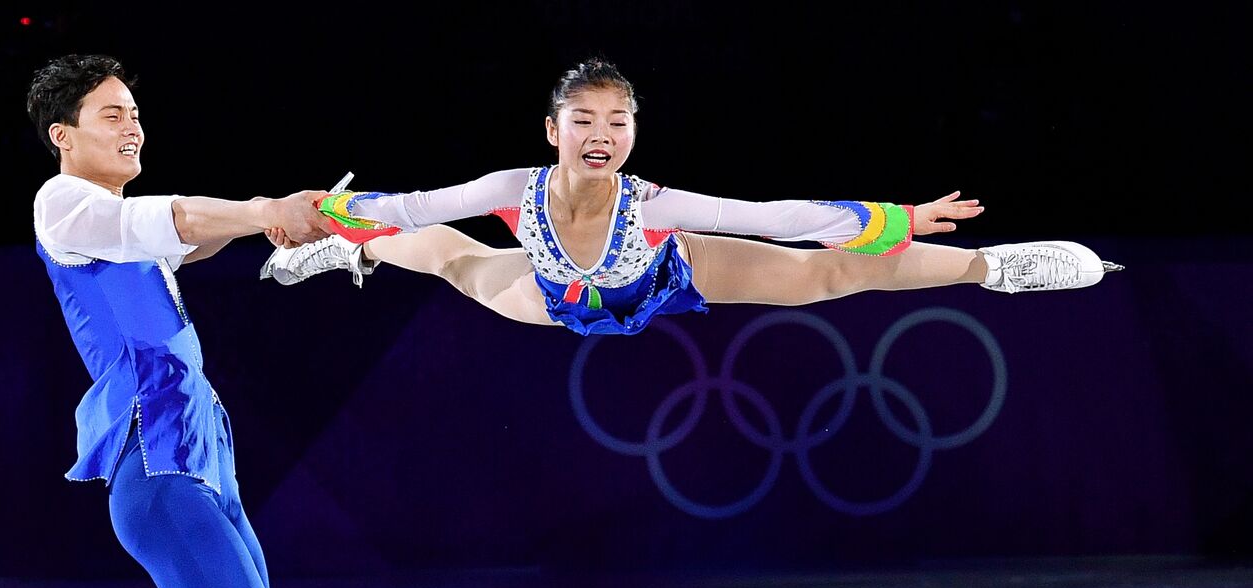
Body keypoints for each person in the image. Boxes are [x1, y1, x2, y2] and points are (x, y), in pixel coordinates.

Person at [26, 53, 324, 588]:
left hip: (203, 466)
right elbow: (183, 216)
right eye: (112, 113)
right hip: (158, 471)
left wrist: (279, 225)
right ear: (62, 135)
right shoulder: (64, 203)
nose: (133, 125)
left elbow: (188, 237)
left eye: (137, 111)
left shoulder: (114, 225)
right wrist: (264, 209)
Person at [261, 59, 1121, 332]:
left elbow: (774, 220)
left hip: (666, 272)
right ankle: (341, 255)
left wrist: (894, 218)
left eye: (619, 120)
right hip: (559, 297)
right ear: (553, 130)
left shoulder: (652, 205)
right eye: (585, 118)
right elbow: (411, 205)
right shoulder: (509, 188)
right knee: (452, 259)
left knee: (827, 275)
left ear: (631, 132)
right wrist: (318, 214)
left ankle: (994, 268)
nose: (604, 132)